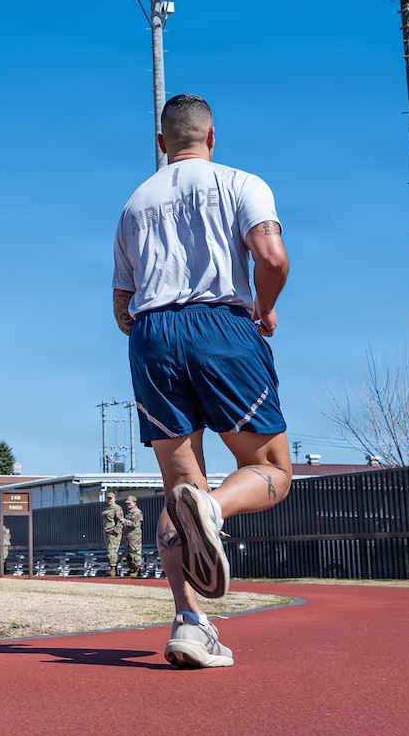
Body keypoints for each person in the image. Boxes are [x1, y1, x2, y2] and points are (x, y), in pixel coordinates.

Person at [112, 94, 294, 670]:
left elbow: (122, 304)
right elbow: (272, 256)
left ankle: (190, 622)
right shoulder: (243, 184)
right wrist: (263, 309)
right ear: (211, 137)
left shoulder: (135, 203)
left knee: (178, 486)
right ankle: (214, 510)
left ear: (161, 143)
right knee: (272, 469)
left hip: (152, 334)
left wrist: (156, 337)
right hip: (222, 325)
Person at [122, 495, 146, 577]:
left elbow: (135, 524)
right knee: (128, 553)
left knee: (135, 552)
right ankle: (132, 568)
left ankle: (137, 569)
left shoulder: (137, 513)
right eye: (127, 503)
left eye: (130, 503)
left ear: (134, 503)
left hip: (134, 536)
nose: (128, 505)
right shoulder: (129, 512)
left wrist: (124, 521)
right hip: (128, 535)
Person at [101, 493, 124, 576]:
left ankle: (113, 569)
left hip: (113, 532)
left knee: (112, 550)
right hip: (107, 532)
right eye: (108, 498)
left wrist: (116, 531)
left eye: (111, 498)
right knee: (109, 550)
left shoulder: (117, 508)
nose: (109, 500)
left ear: (114, 499)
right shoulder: (106, 508)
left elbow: (120, 521)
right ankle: (112, 568)